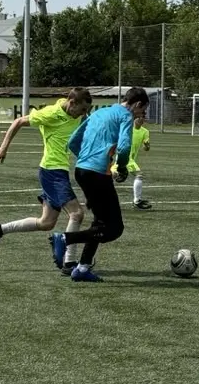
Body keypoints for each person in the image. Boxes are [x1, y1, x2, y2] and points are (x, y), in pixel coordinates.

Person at [0, 88, 92, 273]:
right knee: (76, 214)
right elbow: (19, 121)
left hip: (57, 171)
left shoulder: (75, 114)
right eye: (83, 110)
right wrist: (3, 147)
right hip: (52, 171)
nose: (84, 114)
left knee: (46, 223)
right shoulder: (51, 114)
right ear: (72, 103)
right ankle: (69, 262)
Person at [53, 87, 150, 282]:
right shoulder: (125, 116)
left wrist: (86, 159)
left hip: (81, 170)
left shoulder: (100, 111)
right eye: (142, 110)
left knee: (100, 221)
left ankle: (82, 268)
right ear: (137, 104)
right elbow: (124, 147)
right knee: (114, 228)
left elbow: (73, 141)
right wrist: (121, 168)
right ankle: (65, 239)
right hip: (97, 174)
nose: (141, 114)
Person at [113, 111, 152, 210]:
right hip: (125, 157)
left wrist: (147, 146)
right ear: (134, 118)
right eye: (139, 117)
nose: (141, 119)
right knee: (139, 175)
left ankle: (94, 195)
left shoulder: (145, 132)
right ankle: (137, 201)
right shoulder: (127, 129)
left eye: (143, 117)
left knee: (111, 175)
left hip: (128, 159)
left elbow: (146, 148)